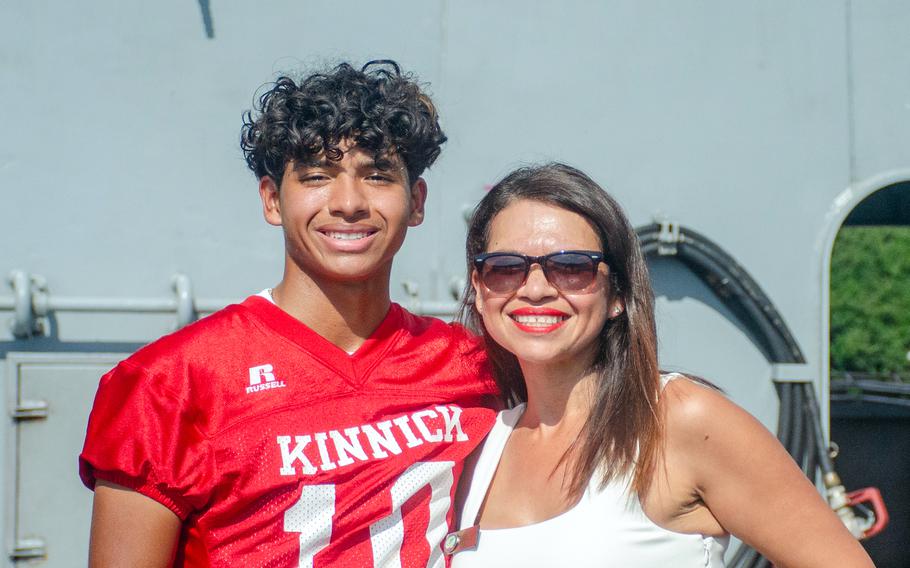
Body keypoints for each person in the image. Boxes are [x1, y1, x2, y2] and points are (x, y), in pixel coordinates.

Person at [79, 60, 498, 567]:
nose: (348, 203)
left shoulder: (473, 364)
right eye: (318, 176)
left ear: (417, 202)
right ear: (273, 199)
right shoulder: (169, 384)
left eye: (378, 175)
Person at [447, 163, 873, 567]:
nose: (535, 289)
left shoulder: (679, 421)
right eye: (505, 268)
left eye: (571, 267)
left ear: (617, 294)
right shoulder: (479, 450)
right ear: (480, 290)